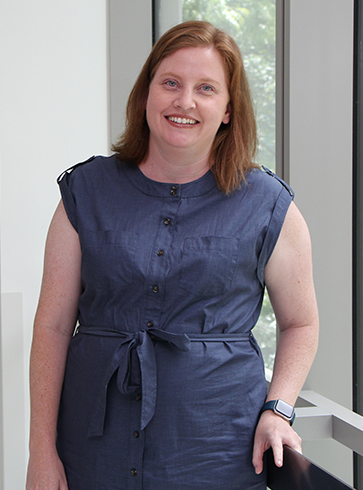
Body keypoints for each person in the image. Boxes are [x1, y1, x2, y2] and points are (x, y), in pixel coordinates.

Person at [26, 20, 319, 490]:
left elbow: (301, 324)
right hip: (92, 446)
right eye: (170, 83)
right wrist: (40, 450)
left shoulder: (267, 203)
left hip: (219, 449)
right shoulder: (86, 191)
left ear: (227, 109)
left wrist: (279, 408)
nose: (185, 102)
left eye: (206, 88)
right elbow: (53, 326)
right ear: (146, 95)